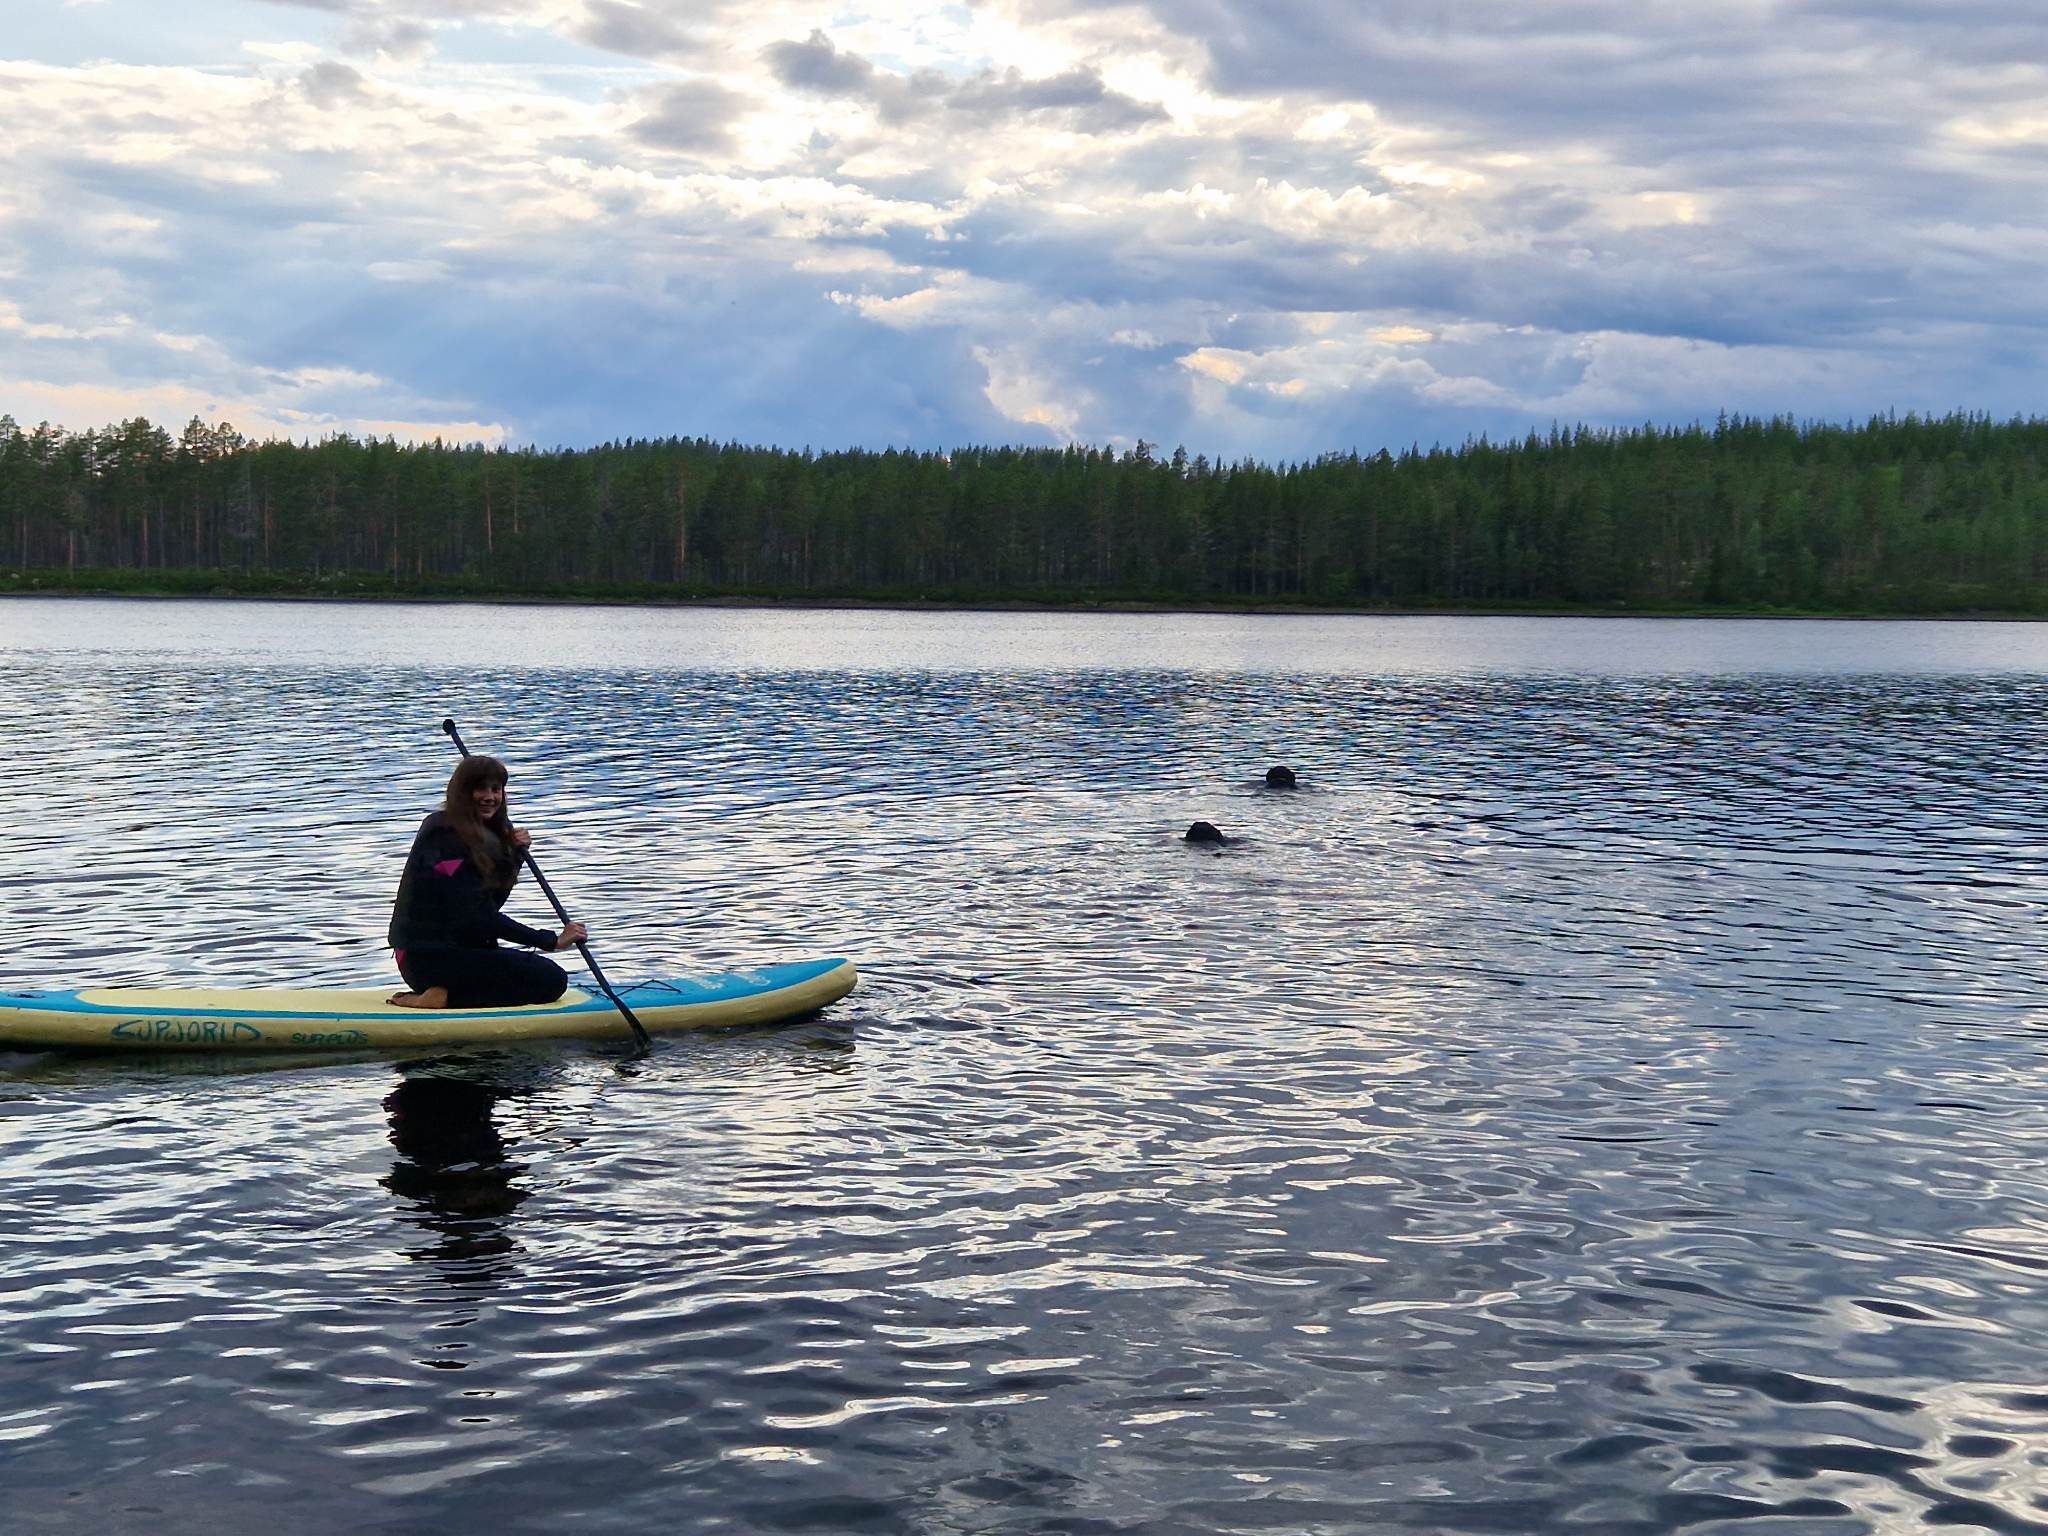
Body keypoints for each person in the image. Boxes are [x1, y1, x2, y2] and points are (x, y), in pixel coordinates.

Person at [387, 755, 586, 1009]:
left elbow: (488, 904)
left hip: (451, 952)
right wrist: (550, 941)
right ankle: (444, 998)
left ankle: (446, 993)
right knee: (551, 980)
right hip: (425, 959)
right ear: (462, 792)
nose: (489, 796)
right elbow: (480, 917)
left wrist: (514, 857)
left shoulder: (473, 835)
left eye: (496, 789)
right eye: (479, 788)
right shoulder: (445, 837)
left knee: (534, 973)